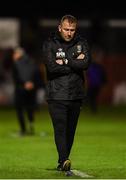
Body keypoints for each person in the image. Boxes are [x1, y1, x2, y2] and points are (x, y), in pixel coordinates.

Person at [42, 14, 91, 172]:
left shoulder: (81, 42)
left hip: (76, 94)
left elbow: (86, 63)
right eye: (66, 29)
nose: (69, 33)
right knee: (60, 129)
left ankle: (62, 160)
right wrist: (75, 62)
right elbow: (51, 67)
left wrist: (66, 61)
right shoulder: (50, 44)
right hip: (56, 95)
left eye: (72, 30)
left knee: (70, 131)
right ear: (59, 28)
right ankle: (64, 159)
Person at [12, 47, 43, 136]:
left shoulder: (16, 63)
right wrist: (32, 84)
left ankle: (23, 130)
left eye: (15, 54)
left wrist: (25, 84)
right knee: (30, 109)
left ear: (19, 54)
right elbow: (38, 75)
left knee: (20, 110)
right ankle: (31, 127)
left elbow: (16, 78)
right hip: (32, 89)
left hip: (21, 90)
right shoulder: (32, 62)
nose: (13, 56)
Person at [86, 47, 107, 113]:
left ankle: (93, 109)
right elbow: (87, 75)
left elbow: (103, 76)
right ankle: (93, 109)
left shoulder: (98, 67)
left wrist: (104, 83)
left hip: (96, 84)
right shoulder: (91, 66)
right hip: (92, 84)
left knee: (93, 97)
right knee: (91, 97)